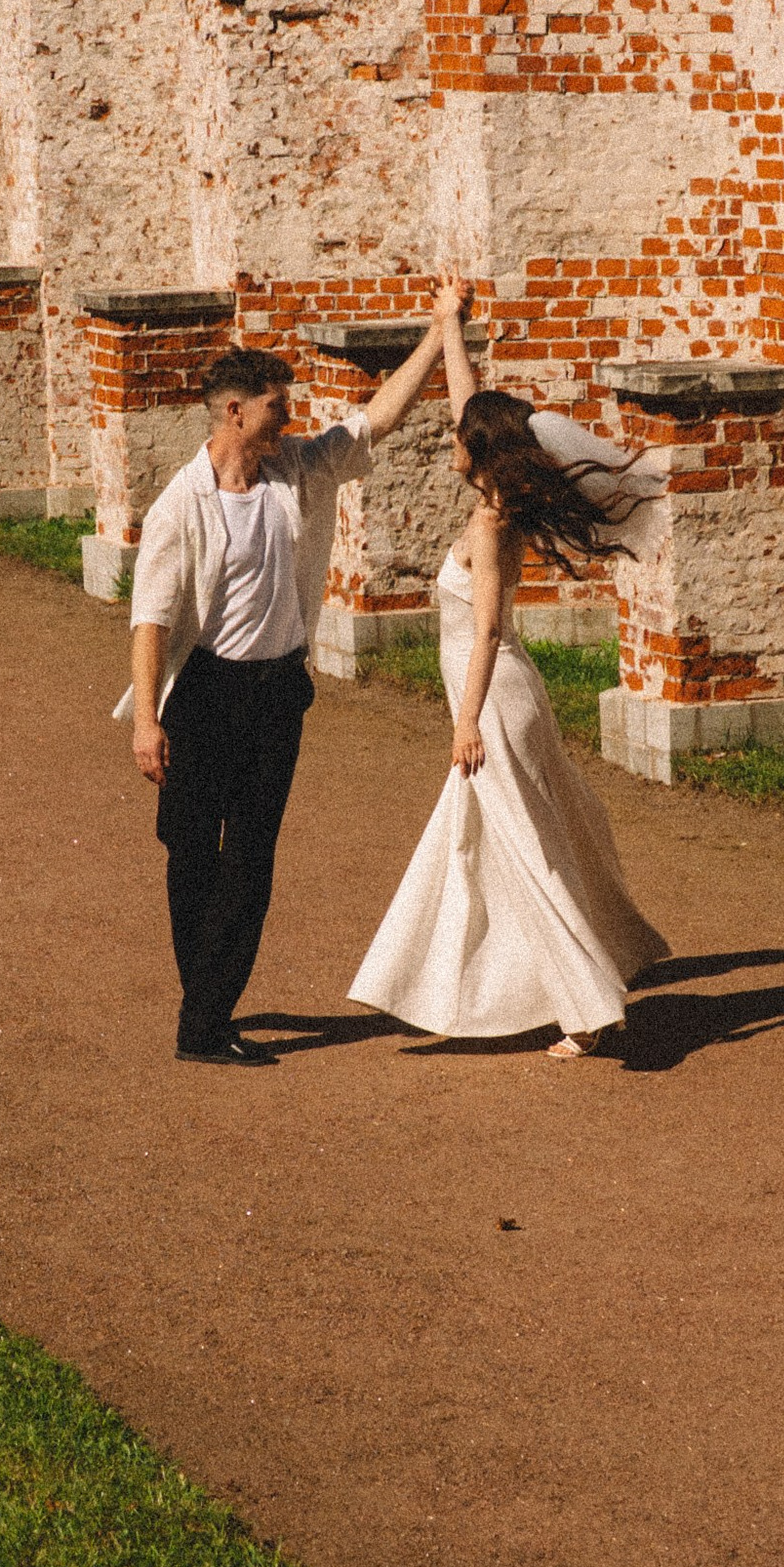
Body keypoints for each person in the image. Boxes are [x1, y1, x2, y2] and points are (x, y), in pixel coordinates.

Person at [123, 317, 456, 1067]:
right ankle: (207, 1002)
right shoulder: (182, 504)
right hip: (205, 695)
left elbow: (378, 420)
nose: (291, 418)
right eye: (279, 405)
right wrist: (147, 720)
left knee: (250, 859)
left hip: (276, 697)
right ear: (235, 411)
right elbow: (149, 620)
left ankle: (204, 1023)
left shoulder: (297, 470)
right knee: (188, 852)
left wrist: (440, 333)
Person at [351, 284, 668, 1060]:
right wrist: (449, 325)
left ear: (481, 453)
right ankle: (518, 986)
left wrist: (463, 723)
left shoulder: (492, 527)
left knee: (528, 846)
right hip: (502, 695)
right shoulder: (498, 495)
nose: (449, 441)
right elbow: (472, 404)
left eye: (462, 438)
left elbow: (488, 630)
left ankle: (589, 1010)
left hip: (494, 700)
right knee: (502, 840)